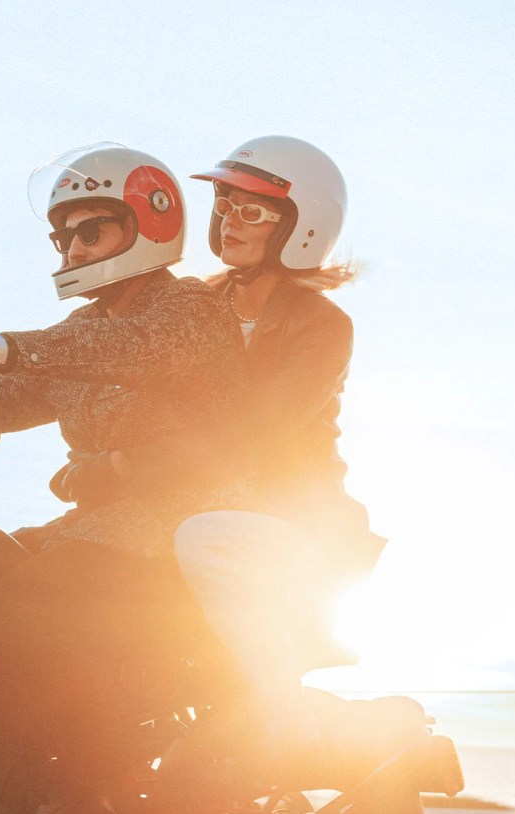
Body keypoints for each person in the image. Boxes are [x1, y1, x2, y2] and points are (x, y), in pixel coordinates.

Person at [0, 142, 245, 774]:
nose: (72, 251)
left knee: (16, 613)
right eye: (63, 239)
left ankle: (87, 778)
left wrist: (1, 345)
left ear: (146, 222)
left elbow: (129, 348)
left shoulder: (188, 311)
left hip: (176, 529)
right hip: (97, 530)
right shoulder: (79, 336)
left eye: (89, 232)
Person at [54, 135, 386, 751]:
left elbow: (253, 431)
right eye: (225, 205)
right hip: (193, 502)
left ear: (300, 227)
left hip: (290, 526)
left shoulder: (321, 326)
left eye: (252, 210)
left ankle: (286, 724)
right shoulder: (194, 306)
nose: (231, 221)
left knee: (203, 538)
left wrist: (121, 465)